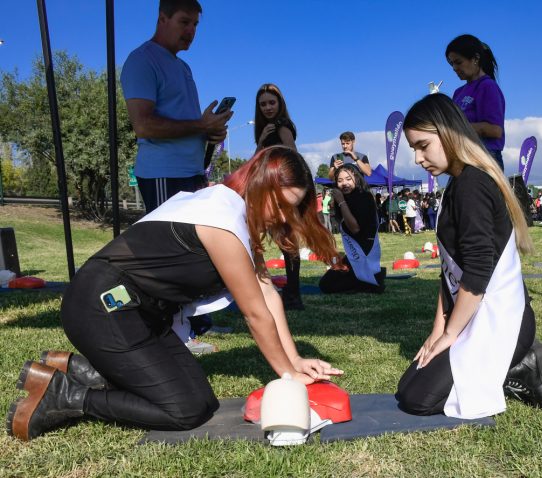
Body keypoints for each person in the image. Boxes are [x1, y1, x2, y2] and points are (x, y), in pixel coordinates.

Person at [6, 147, 344, 441]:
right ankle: (64, 396)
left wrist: (295, 360)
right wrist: (287, 376)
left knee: (202, 400)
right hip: (101, 305)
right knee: (185, 410)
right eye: (280, 204)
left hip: (138, 314)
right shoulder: (222, 220)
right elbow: (255, 314)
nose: (283, 216)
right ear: (258, 183)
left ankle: (82, 370)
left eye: (292, 208)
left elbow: (268, 295)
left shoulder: (232, 212)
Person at [395, 94, 542, 419]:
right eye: (413, 148)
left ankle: (523, 363)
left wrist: (451, 335)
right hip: (472, 313)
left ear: (449, 134)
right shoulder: (457, 184)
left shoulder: (472, 184)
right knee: (408, 387)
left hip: (503, 320)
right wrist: (437, 332)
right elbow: (449, 275)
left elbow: (479, 270)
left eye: (422, 145)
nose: (417, 158)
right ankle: (512, 362)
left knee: (419, 400)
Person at [120, 0, 232, 213]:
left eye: (195, 24)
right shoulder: (142, 60)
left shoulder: (183, 67)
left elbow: (185, 121)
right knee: (168, 246)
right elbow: (143, 126)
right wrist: (201, 126)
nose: (191, 30)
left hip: (193, 173)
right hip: (165, 175)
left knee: (191, 245)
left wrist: (210, 132)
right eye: (184, 22)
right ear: (163, 19)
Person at [253, 84, 304, 310]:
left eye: (271, 102)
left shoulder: (282, 125)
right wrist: (262, 140)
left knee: (287, 242)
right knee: (263, 238)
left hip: (280, 188)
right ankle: (286, 293)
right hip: (267, 187)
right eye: (263, 104)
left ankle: (293, 295)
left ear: (280, 103)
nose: (267, 107)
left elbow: (292, 154)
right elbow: (256, 161)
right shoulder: (265, 129)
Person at [319, 164, 385, 294]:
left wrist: (341, 202)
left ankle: (369, 279)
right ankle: (369, 278)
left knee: (328, 285)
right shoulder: (346, 198)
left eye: (348, 179)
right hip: (354, 253)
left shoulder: (364, 197)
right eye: (340, 180)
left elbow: (355, 228)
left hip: (364, 251)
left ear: (356, 178)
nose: (344, 183)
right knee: (326, 283)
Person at [446, 34, 506, 171]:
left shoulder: (488, 86)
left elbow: (495, 130)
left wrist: (455, 127)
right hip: (464, 157)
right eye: (451, 63)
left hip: (486, 158)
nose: (454, 68)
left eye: (458, 62)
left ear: (475, 59)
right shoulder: (458, 93)